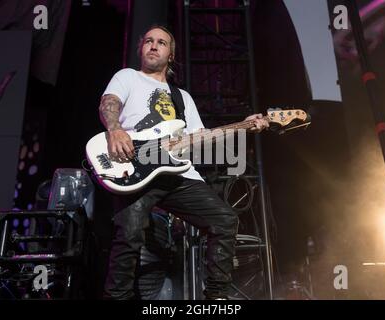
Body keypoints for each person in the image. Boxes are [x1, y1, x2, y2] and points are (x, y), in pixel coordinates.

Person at [98, 25, 268, 300]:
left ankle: (216, 298)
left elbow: (199, 139)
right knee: (130, 233)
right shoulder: (127, 77)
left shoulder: (182, 97)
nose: (153, 46)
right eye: (149, 41)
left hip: (177, 173)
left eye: (161, 43)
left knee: (224, 220)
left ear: (171, 54)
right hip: (135, 166)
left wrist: (244, 126)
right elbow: (109, 102)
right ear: (142, 48)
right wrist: (115, 129)